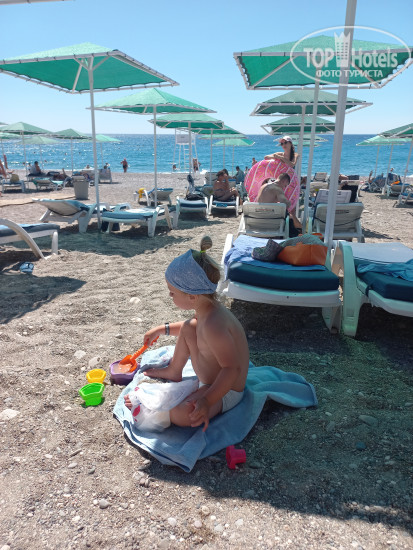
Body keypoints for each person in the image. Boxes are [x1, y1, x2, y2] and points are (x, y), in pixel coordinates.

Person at [124, 236, 250, 431]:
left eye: (172, 292)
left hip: (225, 390)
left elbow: (232, 369)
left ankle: (163, 409)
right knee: (189, 326)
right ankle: (174, 371)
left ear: (192, 296)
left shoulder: (214, 325)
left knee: (185, 415)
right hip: (208, 381)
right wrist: (161, 329)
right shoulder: (206, 310)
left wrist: (207, 400)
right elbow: (190, 327)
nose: (170, 296)